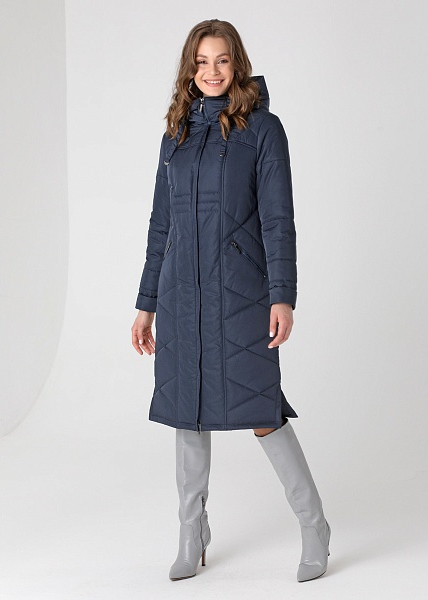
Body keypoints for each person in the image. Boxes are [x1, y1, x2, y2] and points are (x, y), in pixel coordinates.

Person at [131, 18, 331, 583]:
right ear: (189, 69)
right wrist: (146, 303)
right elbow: (161, 226)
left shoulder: (263, 129)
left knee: (263, 412)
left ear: (236, 63)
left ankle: (314, 526)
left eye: (221, 60)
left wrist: (282, 296)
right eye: (201, 61)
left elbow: (278, 219)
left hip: (242, 293)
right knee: (187, 411)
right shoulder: (175, 135)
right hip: (181, 295)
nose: (211, 71)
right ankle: (191, 533)